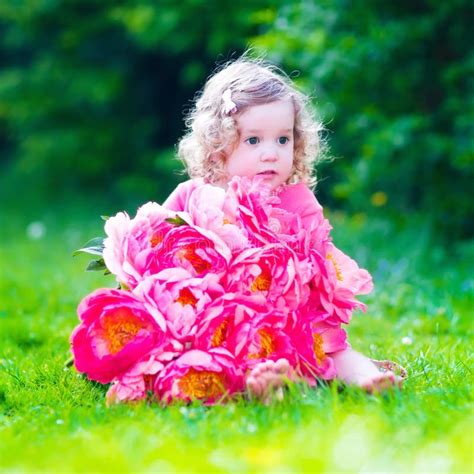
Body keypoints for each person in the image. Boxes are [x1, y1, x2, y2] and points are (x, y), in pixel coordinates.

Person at [162, 56, 405, 401]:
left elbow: (317, 259)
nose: (271, 154)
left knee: (332, 347)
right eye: (253, 141)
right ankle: (257, 381)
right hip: (219, 315)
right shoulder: (194, 194)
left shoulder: (298, 200)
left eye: (282, 140)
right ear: (218, 145)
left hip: (287, 317)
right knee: (209, 350)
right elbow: (154, 242)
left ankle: (367, 377)